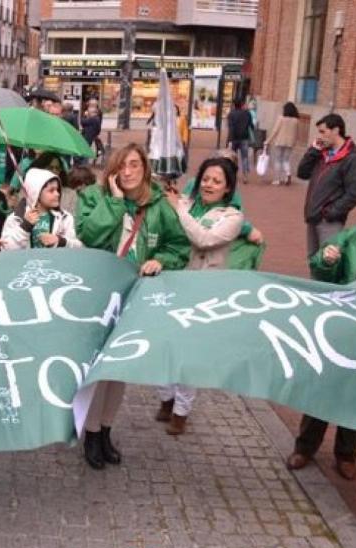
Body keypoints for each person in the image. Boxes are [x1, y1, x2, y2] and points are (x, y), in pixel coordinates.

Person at [75, 143, 190, 469]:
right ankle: (92, 434)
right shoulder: (94, 197)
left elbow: (179, 247)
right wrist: (113, 202)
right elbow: (90, 235)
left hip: (135, 298)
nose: (127, 172)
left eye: (134, 165)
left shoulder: (158, 206)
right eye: (121, 166)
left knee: (119, 370)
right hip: (99, 296)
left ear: (145, 169)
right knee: (99, 371)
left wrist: (159, 260)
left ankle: (106, 431)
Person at [287, 178, 356, 481]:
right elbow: (321, 265)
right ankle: (305, 446)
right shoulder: (352, 236)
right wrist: (327, 260)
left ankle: (346, 453)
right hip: (341, 327)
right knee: (324, 388)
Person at [158, 157, 244, 434]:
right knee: (167, 346)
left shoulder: (232, 217)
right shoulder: (186, 203)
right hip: (173, 285)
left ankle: (182, 411)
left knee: (191, 353)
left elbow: (204, 240)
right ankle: (165, 399)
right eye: (206, 178)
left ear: (227, 188)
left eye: (217, 181)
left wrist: (179, 210)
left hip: (203, 294)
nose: (209, 185)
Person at [298, 113, 356, 273]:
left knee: (328, 263)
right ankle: (315, 293)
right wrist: (313, 150)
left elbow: (354, 193)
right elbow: (302, 172)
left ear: (336, 130)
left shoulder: (352, 158)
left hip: (330, 221)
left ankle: (327, 295)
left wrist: (330, 212)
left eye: (323, 132)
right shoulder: (322, 153)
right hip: (313, 216)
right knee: (314, 260)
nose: (320, 136)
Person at [0, 168, 81, 252]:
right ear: (36, 193)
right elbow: (6, 249)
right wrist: (25, 227)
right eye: (51, 190)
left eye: (57, 190)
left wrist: (60, 241)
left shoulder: (65, 218)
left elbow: (78, 247)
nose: (57, 194)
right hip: (26, 270)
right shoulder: (16, 218)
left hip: (54, 269)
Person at [264, 102, 300, 186]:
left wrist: (268, 140)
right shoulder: (296, 121)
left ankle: (277, 180)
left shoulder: (281, 118)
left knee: (278, 160)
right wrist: (295, 142)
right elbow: (297, 133)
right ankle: (287, 174)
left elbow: (275, 131)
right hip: (290, 143)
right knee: (286, 160)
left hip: (280, 141)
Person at [227, 98, 254, 183]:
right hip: (244, 138)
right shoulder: (247, 113)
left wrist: (229, 140)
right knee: (245, 157)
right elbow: (251, 125)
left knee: (232, 158)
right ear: (242, 104)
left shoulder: (231, 114)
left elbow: (230, 128)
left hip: (234, 138)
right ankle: (245, 176)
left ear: (234, 105)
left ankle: (233, 175)